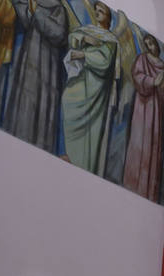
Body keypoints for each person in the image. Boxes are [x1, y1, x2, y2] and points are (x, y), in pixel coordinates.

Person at [0, 0, 69, 151]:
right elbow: (25, 20)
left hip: (48, 64)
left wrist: (36, 12)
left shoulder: (58, 8)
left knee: (43, 102)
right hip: (29, 57)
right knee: (25, 96)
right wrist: (26, 8)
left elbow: (59, 34)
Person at [60, 1, 118, 175]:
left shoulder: (111, 40)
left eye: (102, 11)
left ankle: (82, 163)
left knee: (91, 129)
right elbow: (73, 38)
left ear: (108, 18)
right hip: (79, 79)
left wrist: (84, 54)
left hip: (95, 87)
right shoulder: (87, 30)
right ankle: (69, 154)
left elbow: (105, 61)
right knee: (67, 100)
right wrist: (84, 38)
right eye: (96, 10)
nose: (98, 13)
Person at [121, 32, 164, 202]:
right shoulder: (142, 60)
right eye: (147, 43)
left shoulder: (163, 68)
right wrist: (152, 82)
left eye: (152, 43)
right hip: (142, 107)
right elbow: (137, 77)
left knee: (152, 145)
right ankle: (131, 184)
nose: (150, 46)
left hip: (156, 111)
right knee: (138, 141)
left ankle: (148, 190)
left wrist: (161, 88)